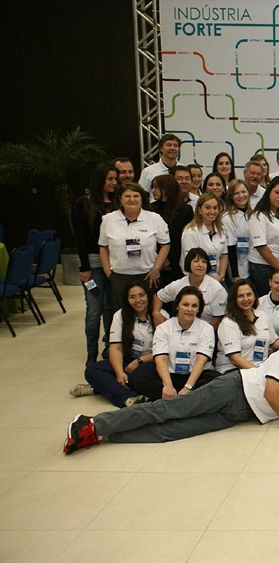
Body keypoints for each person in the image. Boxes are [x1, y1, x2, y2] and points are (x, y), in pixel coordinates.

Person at [64, 327, 279, 453]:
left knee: (175, 431)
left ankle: (107, 435)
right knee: (169, 409)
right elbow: (271, 393)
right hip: (235, 389)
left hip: (245, 414)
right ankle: (93, 423)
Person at [71, 280, 155, 408]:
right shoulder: (120, 315)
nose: (138, 300)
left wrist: (139, 361)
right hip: (127, 359)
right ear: (127, 300)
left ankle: (99, 388)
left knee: (138, 378)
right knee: (92, 370)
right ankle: (128, 398)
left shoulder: (159, 315)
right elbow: (115, 348)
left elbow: (164, 351)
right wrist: (119, 372)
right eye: (132, 297)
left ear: (148, 296)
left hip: (149, 361)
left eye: (141, 295)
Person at [131, 286, 219, 401]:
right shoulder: (163, 328)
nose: (189, 309)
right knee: (140, 378)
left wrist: (188, 387)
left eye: (194, 306)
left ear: (199, 309)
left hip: (196, 377)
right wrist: (168, 386)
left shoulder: (207, 329)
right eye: (185, 305)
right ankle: (185, 401)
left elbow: (200, 362)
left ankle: (172, 401)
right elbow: (161, 360)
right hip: (170, 375)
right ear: (177, 306)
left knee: (216, 381)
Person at [73, 163, 118, 364]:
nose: (114, 183)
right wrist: (84, 268)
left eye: (115, 179)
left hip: (114, 264)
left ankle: (110, 346)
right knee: (94, 310)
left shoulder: (117, 203)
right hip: (92, 266)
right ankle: (91, 351)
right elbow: (79, 238)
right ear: (100, 180)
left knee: (111, 307)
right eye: (110, 179)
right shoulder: (82, 204)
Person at [99, 182, 171, 307]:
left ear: (142, 198)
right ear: (120, 199)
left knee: (148, 311)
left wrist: (156, 268)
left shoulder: (154, 218)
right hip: (120, 277)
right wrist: (108, 272)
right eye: (127, 196)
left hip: (148, 276)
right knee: (123, 312)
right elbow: (103, 247)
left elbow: (165, 244)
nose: (132, 199)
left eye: (136, 196)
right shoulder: (108, 219)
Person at [214, 279, 279, 374]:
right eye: (241, 296)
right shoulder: (228, 323)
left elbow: (274, 341)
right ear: (234, 299)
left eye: (249, 294)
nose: (246, 299)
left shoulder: (262, 316)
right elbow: (235, 359)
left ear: (255, 296)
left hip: (261, 367)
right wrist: (259, 373)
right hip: (234, 371)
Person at [152, 247, 227, 329]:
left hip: (205, 330)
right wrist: (156, 313)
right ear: (188, 263)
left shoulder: (217, 289)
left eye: (204, 262)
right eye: (196, 261)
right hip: (180, 328)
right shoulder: (179, 284)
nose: (200, 265)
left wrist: (202, 333)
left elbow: (217, 320)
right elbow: (158, 297)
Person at [247, 177, 279, 296]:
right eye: (277, 192)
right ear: (269, 192)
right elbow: (261, 247)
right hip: (265, 268)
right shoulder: (258, 216)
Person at [149, 173, 194, 286]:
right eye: (153, 187)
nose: (153, 191)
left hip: (177, 262)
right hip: (154, 261)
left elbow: (183, 238)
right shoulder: (151, 209)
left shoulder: (185, 210)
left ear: (166, 188)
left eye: (156, 187)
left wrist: (169, 258)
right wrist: (161, 259)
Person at [180, 194, 227, 282]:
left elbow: (224, 255)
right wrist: (208, 281)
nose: (212, 211)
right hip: (196, 280)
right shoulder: (191, 232)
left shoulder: (221, 229)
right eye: (207, 208)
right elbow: (193, 263)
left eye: (215, 208)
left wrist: (221, 276)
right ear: (199, 209)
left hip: (217, 278)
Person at [221, 179, 252, 283]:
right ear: (231, 196)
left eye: (243, 192)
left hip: (252, 264)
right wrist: (235, 275)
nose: (241, 196)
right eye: (236, 193)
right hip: (238, 269)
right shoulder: (227, 218)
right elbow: (231, 248)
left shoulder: (252, 213)